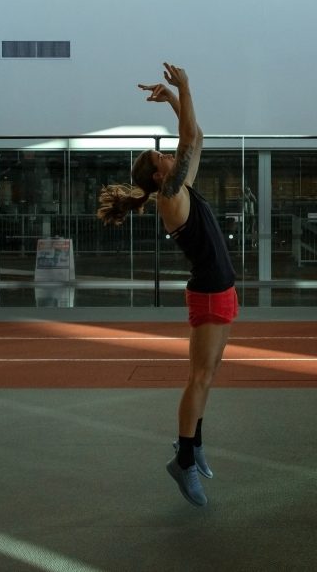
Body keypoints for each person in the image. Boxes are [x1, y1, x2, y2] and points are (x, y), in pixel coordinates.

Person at [97, 62, 237, 507]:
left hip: (223, 292)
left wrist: (176, 100)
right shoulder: (170, 198)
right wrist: (186, 88)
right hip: (210, 296)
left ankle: (190, 447)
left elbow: (196, 138)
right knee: (198, 378)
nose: (172, 156)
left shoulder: (182, 188)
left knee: (208, 376)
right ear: (160, 176)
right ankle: (184, 462)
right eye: (164, 158)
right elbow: (188, 137)